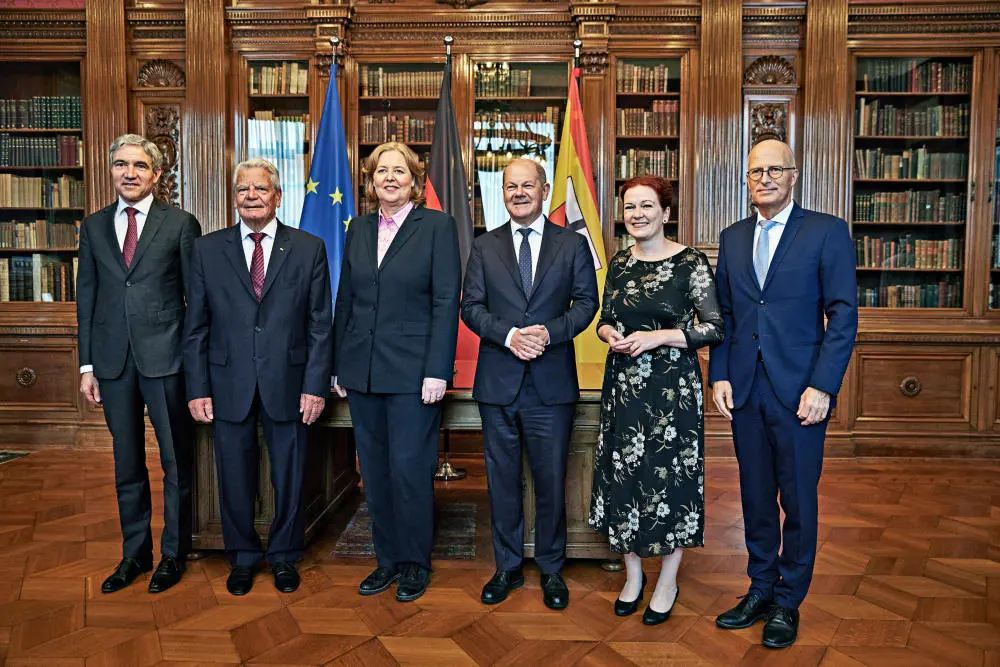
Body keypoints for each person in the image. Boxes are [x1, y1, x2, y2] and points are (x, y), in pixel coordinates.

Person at [709, 139, 857, 648]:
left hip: (801, 393)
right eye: (756, 171)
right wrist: (721, 374)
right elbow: (725, 316)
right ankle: (760, 588)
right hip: (746, 389)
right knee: (754, 496)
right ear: (746, 180)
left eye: (776, 170)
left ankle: (789, 601)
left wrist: (823, 385)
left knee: (797, 499)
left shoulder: (826, 232)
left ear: (794, 176)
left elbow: (843, 316)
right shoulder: (731, 238)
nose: (765, 178)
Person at [184, 158, 333, 596]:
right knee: (233, 476)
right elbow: (196, 326)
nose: (251, 196)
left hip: (289, 383)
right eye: (243, 190)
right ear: (234, 198)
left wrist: (314, 384)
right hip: (226, 382)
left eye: (260, 189)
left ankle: (285, 556)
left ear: (277, 196)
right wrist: (197, 389)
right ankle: (243, 557)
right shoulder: (207, 249)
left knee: (289, 475)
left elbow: (320, 324)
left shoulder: (308, 248)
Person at [461, 158, 599, 610]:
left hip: (551, 384)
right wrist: (509, 336)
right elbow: (471, 307)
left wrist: (549, 333)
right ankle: (507, 568)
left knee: (551, 480)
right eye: (510, 186)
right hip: (498, 383)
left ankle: (552, 569)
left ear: (544, 190)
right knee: (501, 481)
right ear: (502, 193)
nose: (518, 193)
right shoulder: (484, 246)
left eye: (527, 186)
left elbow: (586, 303)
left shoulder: (571, 243)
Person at [589, 175, 723, 625]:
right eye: (630, 207)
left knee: (672, 480)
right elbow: (605, 318)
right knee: (624, 477)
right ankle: (632, 575)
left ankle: (667, 579)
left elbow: (714, 327)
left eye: (647, 206)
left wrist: (659, 337)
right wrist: (610, 333)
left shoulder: (691, 262)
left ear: (665, 213)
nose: (638, 214)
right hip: (624, 387)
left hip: (672, 392)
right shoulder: (621, 262)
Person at [333, 141, 461, 603]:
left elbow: (447, 301)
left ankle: (413, 564)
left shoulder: (437, 227)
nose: (389, 178)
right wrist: (339, 365)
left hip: (413, 374)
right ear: (370, 181)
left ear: (414, 179)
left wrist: (437, 370)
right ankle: (386, 561)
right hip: (363, 372)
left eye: (399, 171)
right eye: (381, 171)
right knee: (377, 473)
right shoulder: (360, 229)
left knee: (409, 470)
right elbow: (346, 298)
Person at [77, 134, 201, 595]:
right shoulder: (92, 227)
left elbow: (196, 300)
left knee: (175, 461)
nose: (129, 173)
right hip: (112, 363)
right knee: (126, 462)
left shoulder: (180, 224)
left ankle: (173, 554)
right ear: (110, 171)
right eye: (120, 165)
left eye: (139, 165)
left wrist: (195, 364)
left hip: (167, 360)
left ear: (157, 173)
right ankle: (135, 553)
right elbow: (86, 297)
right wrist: (87, 365)